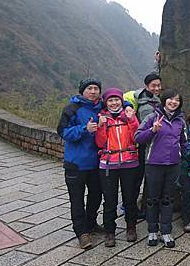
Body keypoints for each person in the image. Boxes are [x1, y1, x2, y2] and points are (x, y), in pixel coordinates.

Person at [135, 89, 187, 248]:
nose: (173, 102)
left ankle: (166, 231)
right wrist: (152, 130)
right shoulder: (152, 117)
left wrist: (179, 155)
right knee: (152, 199)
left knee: (168, 198)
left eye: (177, 100)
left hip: (173, 165)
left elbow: (184, 142)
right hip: (154, 164)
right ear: (164, 100)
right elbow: (138, 137)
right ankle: (152, 231)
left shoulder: (180, 121)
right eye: (170, 99)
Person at [56, 78, 104, 249]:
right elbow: (62, 131)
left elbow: (119, 101)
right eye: (89, 88)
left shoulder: (101, 107)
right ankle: (81, 232)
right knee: (77, 200)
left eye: (96, 88)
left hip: (97, 163)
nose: (93, 91)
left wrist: (127, 105)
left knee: (96, 195)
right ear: (82, 91)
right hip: (75, 163)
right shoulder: (72, 108)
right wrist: (84, 129)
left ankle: (91, 223)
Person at [95, 88, 140, 247]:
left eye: (117, 100)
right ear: (106, 103)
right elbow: (100, 143)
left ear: (122, 100)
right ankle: (109, 232)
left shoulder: (129, 115)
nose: (114, 103)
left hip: (129, 162)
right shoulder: (102, 118)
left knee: (130, 197)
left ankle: (131, 227)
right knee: (109, 200)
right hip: (108, 163)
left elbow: (136, 137)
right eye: (110, 100)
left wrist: (132, 120)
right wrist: (100, 127)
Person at [124, 72, 162, 218]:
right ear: (147, 86)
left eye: (158, 85)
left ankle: (142, 207)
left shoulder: (155, 99)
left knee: (146, 178)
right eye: (153, 85)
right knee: (138, 178)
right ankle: (132, 208)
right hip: (142, 146)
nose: (157, 88)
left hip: (151, 145)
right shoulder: (144, 103)